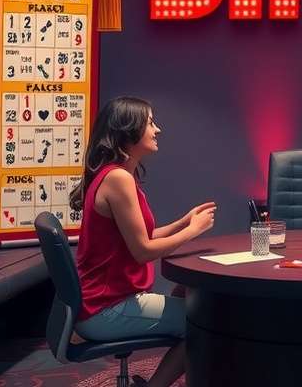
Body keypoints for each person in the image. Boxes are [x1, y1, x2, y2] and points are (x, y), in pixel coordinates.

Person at [68, 96, 216, 387]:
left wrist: (183, 222)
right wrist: (193, 231)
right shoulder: (118, 180)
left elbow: (140, 237)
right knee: (207, 323)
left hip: (102, 302)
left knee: (183, 295)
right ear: (128, 132)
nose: (157, 129)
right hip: (105, 308)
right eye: (150, 123)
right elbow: (142, 251)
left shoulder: (116, 175)